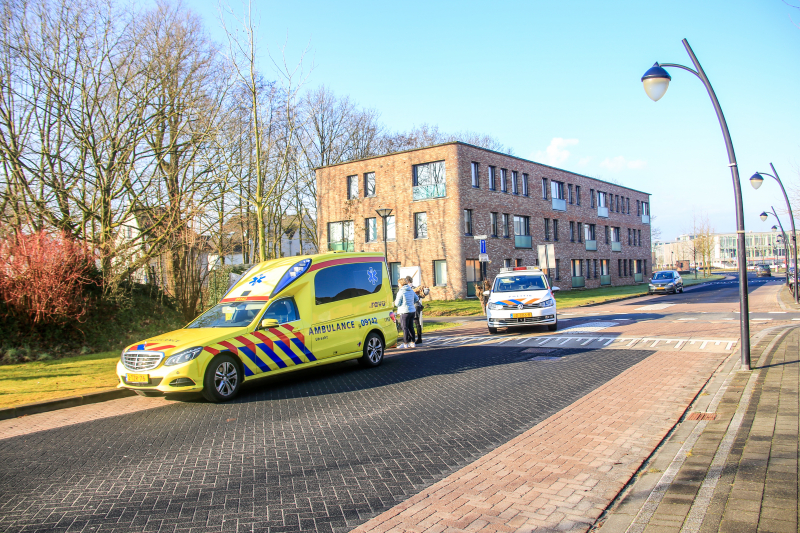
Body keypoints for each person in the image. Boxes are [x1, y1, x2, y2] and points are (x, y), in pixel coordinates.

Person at [394, 278, 419, 349]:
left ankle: (405, 343)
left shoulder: (401, 292)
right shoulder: (411, 290)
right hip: (412, 311)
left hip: (404, 311)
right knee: (411, 327)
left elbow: (397, 303)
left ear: (401, 284)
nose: (398, 285)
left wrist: (396, 302)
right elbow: (416, 298)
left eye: (398, 283)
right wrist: (411, 303)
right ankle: (413, 342)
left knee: (405, 328)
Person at [405, 275, 429, 344]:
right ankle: (415, 338)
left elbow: (421, 296)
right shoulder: (413, 288)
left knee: (415, 322)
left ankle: (418, 338)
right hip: (413, 306)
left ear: (408, 281)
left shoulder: (414, 288)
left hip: (414, 306)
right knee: (413, 322)